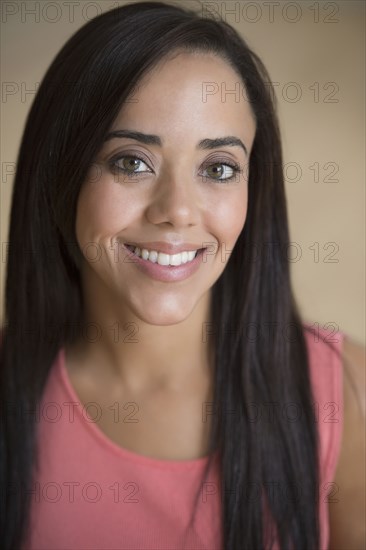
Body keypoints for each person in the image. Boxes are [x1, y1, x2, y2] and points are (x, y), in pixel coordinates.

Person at [0, 2, 364, 549]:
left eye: (218, 168)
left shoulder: (347, 395)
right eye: (131, 161)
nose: (177, 210)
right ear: (62, 174)